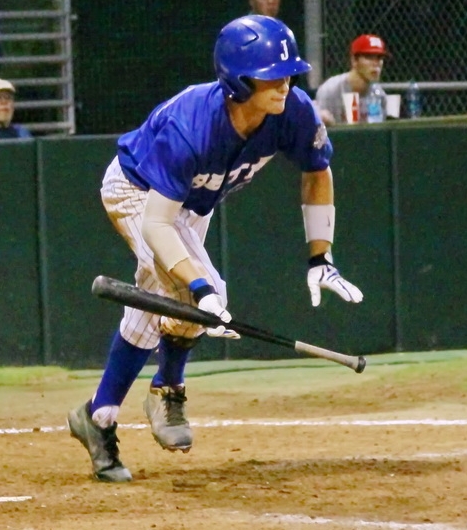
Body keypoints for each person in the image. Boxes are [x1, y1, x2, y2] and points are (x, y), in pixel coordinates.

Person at [67, 15, 364, 483]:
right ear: (238, 80)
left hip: (191, 204)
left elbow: (317, 171)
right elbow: (157, 224)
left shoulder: (293, 111)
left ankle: (98, 415)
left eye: (288, 74)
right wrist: (202, 289)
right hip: (138, 192)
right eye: (270, 75)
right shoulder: (191, 126)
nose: (284, 84)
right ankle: (167, 388)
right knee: (198, 294)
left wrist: (320, 256)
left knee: (156, 303)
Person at [313, 34, 389, 126]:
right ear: (354, 60)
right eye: (369, 57)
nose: (375, 64)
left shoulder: (379, 95)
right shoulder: (330, 90)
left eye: (379, 58)